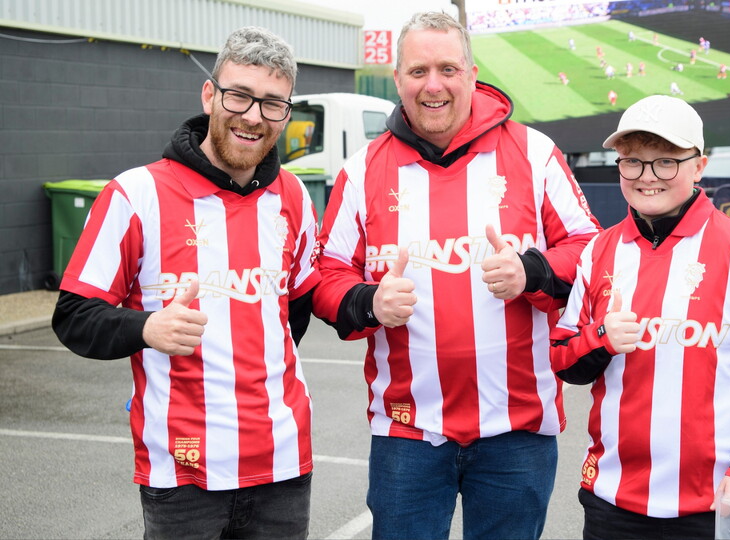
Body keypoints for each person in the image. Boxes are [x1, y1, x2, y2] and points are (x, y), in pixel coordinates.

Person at [312, 11, 600, 540]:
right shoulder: (362, 169)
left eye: (448, 68)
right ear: (397, 79)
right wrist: (369, 302)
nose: (434, 84)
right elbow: (327, 275)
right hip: (407, 431)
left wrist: (531, 270)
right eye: (418, 71)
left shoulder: (535, 154)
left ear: (471, 74)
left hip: (517, 430)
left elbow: (590, 250)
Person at [51, 27, 319, 538]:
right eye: (239, 95)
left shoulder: (293, 197)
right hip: (181, 474)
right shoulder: (135, 194)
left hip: (283, 467)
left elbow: (296, 310)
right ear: (209, 94)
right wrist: (148, 328)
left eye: (272, 104)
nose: (253, 117)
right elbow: (73, 315)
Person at [549, 95, 730, 539]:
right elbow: (564, 359)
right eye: (633, 162)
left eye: (665, 162)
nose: (647, 177)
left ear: (698, 166)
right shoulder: (599, 251)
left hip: (715, 505)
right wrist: (600, 337)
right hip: (611, 502)